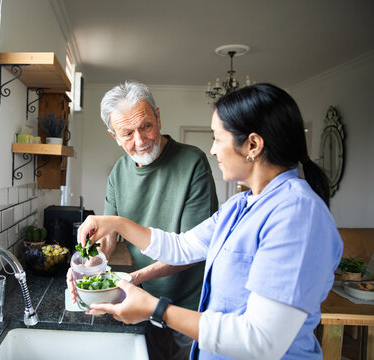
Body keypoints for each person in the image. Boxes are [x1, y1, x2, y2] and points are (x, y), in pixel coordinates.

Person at [76, 83, 343, 360]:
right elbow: (181, 247)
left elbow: (262, 341)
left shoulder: (297, 214)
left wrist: (156, 309)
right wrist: (116, 223)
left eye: (217, 137)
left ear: (252, 144)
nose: (213, 150)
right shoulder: (239, 206)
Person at [68, 80, 218, 360]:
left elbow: (195, 250)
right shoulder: (118, 174)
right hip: (145, 300)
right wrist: (84, 269)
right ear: (113, 135)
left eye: (146, 126)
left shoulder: (193, 163)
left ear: (158, 117)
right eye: (127, 133)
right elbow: (107, 241)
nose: (139, 141)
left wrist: (132, 278)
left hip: (191, 303)